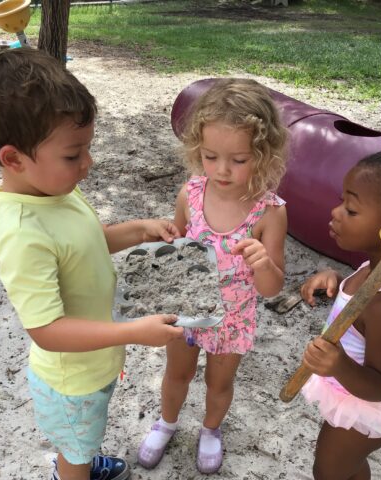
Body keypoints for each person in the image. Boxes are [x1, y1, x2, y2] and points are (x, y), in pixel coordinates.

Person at [0, 48, 184, 480]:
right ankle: (73, 469)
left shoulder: (55, 191)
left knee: (84, 436)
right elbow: (46, 330)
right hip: (72, 380)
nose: (87, 165)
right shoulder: (22, 233)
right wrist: (133, 333)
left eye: (86, 150)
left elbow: (87, 243)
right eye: (73, 155)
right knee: (77, 444)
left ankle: (80, 458)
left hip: (96, 361)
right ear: (13, 159)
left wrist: (137, 230)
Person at [137, 78, 288, 473]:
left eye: (239, 160)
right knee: (177, 372)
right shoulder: (190, 193)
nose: (222, 170)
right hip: (188, 310)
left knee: (219, 384)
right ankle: (167, 423)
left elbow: (272, 288)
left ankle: (210, 430)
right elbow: (179, 253)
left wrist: (262, 263)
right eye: (210, 156)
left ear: (264, 153)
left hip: (234, 319)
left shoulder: (270, 212)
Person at [300, 131, 381, 480]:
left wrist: (338, 365)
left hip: (363, 405)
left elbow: (379, 387)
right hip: (345, 389)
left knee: (329, 472)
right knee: (345, 470)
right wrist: (334, 276)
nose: (335, 212)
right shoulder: (380, 265)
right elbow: (358, 290)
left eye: (350, 209)